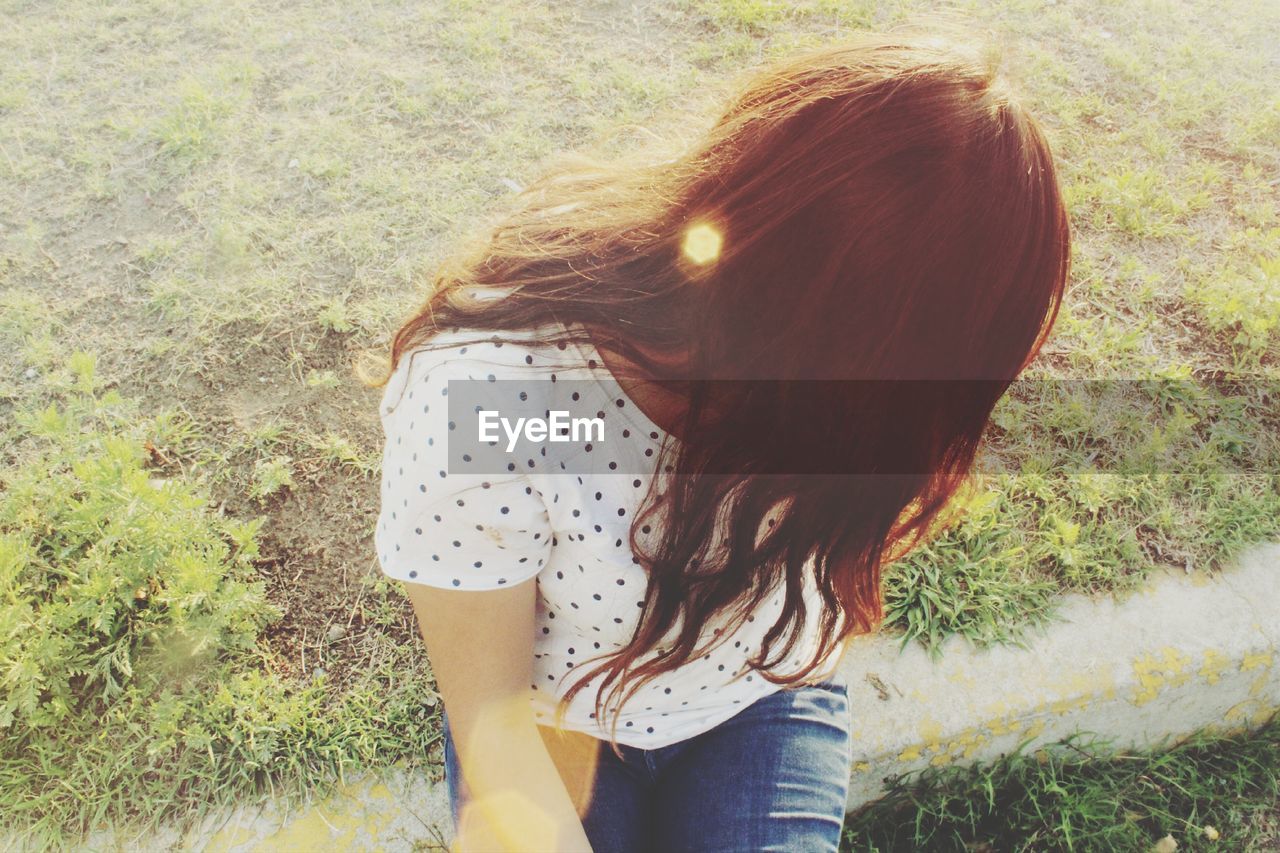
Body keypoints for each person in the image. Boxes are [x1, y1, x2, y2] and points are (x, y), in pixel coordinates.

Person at [366, 23, 1071, 853]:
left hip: (763, 695)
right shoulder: (508, 397)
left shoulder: (853, 399)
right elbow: (492, 720)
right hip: (557, 716)